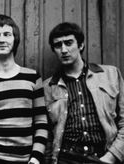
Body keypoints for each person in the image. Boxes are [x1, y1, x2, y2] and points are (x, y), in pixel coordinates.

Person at [0, 14, 48, 164]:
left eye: (7, 34)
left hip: (25, 160)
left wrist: (36, 158)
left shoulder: (32, 78)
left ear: (15, 39)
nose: (1, 39)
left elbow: (41, 121)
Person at [44, 22, 124, 164]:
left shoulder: (110, 74)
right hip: (66, 158)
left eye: (68, 43)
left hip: (103, 156)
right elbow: (47, 134)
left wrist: (111, 157)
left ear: (80, 45)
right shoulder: (48, 87)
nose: (63, 50)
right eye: (58, 45)